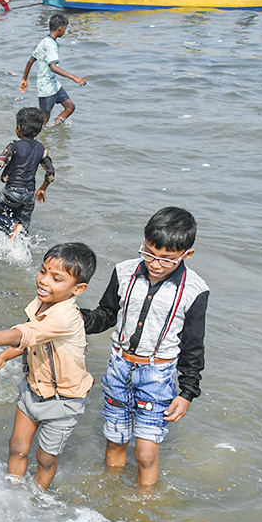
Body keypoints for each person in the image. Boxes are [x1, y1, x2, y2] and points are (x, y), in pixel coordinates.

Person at [0, 243, 97, 490]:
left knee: (46, 458)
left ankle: (38, 497)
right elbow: (31, 339)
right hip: (32, 390)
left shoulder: (65, 316)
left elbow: (23, 334)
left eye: (57, 278)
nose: (44, 281)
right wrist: (4, 357)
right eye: (43, 271)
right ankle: (13, 490)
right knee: (17, 447)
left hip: (63, 400)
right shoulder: (42, 303)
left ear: (78, 289)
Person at [82, 208, 208, 489]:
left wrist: (187, 392)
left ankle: (143, 507)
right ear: (144, 241)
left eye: (167, 259)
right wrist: (82, 319)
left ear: (187, 254)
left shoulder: (195, 290)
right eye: (149, 253)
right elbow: (107, 314)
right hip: (119, 367)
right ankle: (111, 495)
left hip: (158, 374)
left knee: (145, 452)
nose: (155, 264)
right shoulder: (124, 272)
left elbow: (193, 345)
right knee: (115, 440)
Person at [0, 107, 57, 239]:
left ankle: (12, 226)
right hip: (29, 196)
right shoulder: (41, 149)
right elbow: (51, 172)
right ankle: (21, 250)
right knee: (23, 234)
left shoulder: (14, 145)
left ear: (18, 128)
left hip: (12, 192)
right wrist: (42, 189)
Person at [19, 13, 86, 125]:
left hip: (54, 85)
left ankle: (55, 126)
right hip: (46, 87)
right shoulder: (51, 45)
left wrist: (24, 79)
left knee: (70, 107)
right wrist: (74, 77)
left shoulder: (43, 41)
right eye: (65, 29)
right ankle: (39, 136)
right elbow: (53, 67)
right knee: (45, 117)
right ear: (60, 29)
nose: (65, 31)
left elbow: (31, 60)